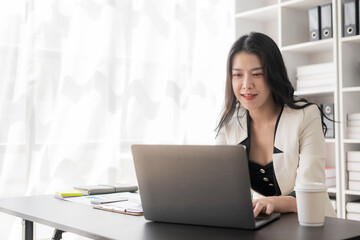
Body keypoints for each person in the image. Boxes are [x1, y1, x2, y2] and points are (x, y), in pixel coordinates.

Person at [215, 32, 336, 218]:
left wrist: (269, 202)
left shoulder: (305, 116)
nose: (246, 85)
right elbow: (219, 184)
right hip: (267, 225)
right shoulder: (229, 123)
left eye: (257, 74)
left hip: (312, 223)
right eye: (238, 75)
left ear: (273, 74)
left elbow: (311, 191)